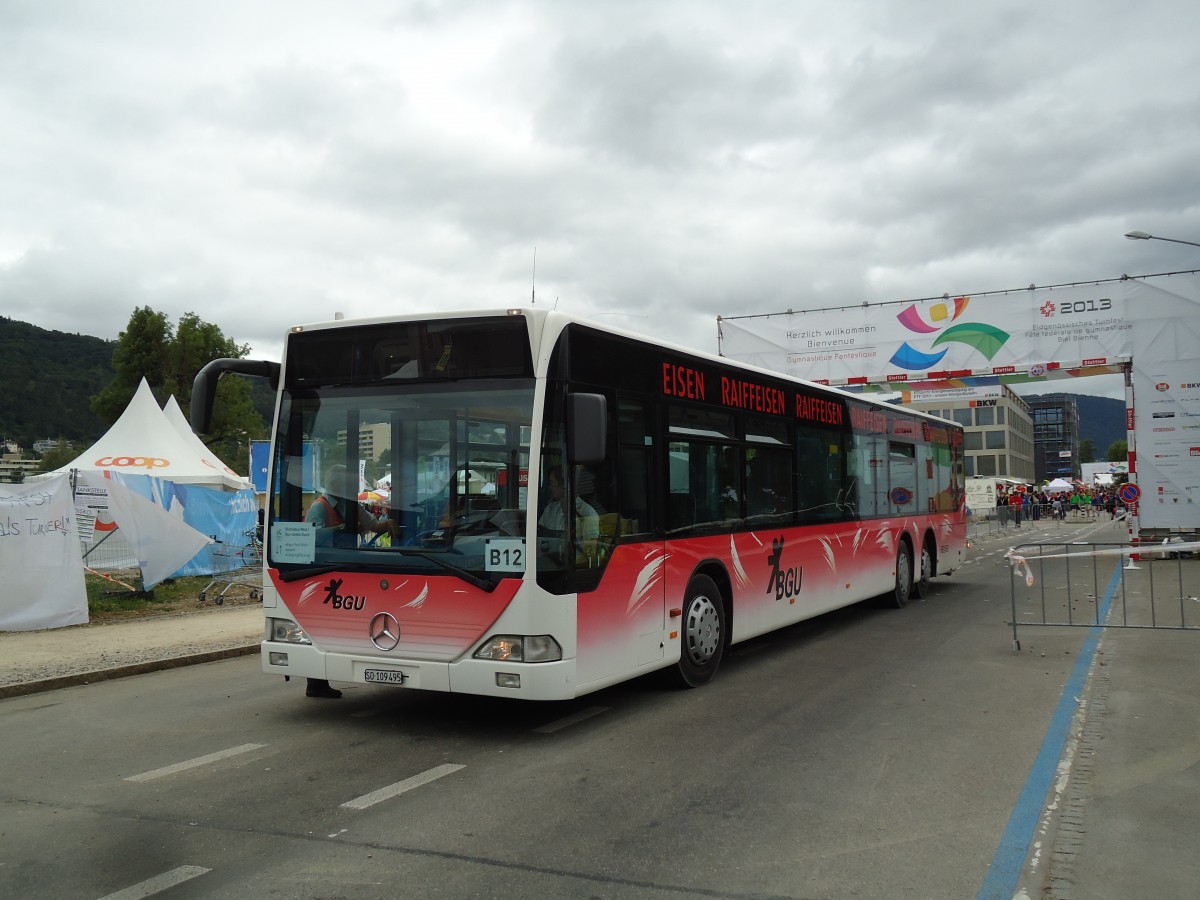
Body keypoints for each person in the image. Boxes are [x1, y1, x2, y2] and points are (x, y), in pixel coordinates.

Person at [538, 465, 599, 542]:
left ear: (563, 485)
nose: (550, 487)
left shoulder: (588, 513)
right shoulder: (550, 509)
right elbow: (540, 534)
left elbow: (590, 548)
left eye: (552, 483)